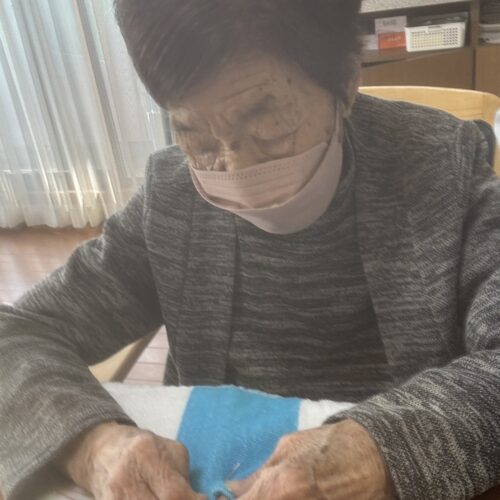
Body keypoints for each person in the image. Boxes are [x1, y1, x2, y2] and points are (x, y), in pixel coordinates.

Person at [0, 0, 499, 499]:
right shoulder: (171, 200)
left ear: (347, 81)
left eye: (269, 125)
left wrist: (377, 451)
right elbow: (17, 333)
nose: (236, 170)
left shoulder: (447, 170)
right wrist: (92, 445)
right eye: (194, 135)